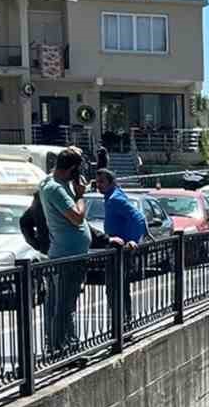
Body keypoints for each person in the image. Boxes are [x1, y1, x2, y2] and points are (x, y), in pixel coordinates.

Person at [40, 147, 91, 355]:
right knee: (65, 304)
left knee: (60, 302)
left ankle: (60, 344)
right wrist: (80, 196)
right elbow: (77, 217)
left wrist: (72, 152)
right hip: (67, 255)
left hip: (68, 253)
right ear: (71, 169)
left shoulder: (51, 182)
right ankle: (64, 346)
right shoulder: (56, 189)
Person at [99, 168, 146, 332]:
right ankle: (122, 325)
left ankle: (121, 327)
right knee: (118, 289)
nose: (98, 185)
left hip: (120, 251)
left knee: (116, 289)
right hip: (115, 250)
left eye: (102, 182)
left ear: (111, 183)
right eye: (97, 182)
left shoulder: (115, 199)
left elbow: (138, 217)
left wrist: (132, 239)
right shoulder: (112, 196)